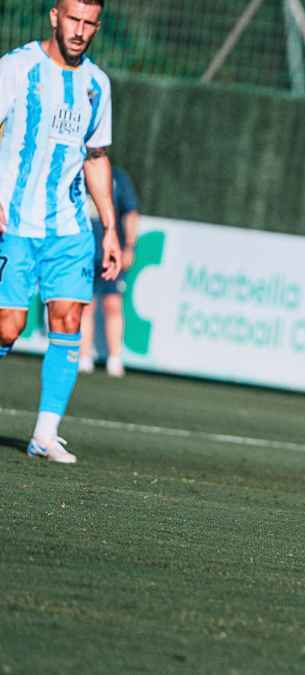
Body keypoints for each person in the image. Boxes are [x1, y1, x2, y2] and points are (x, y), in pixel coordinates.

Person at [0, 0, 120, 464]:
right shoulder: (17, 67)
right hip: (16, 223)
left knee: (68, 318)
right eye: (73, 19)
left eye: (90, 23)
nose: (80, 31)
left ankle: (45, 434)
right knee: (8, 328)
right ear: (54, 16)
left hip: (69, 226)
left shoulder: (97, 85)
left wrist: (109, 227)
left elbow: (97, 157)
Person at [79, 164, 138, 376]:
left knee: (113, 303)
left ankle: (115, 358)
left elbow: (130, 213)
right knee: (85, 306)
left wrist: (130, 245)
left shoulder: (118, 178)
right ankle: (84, 356)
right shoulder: (76, 173)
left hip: (111, 253)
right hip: (83, 251)